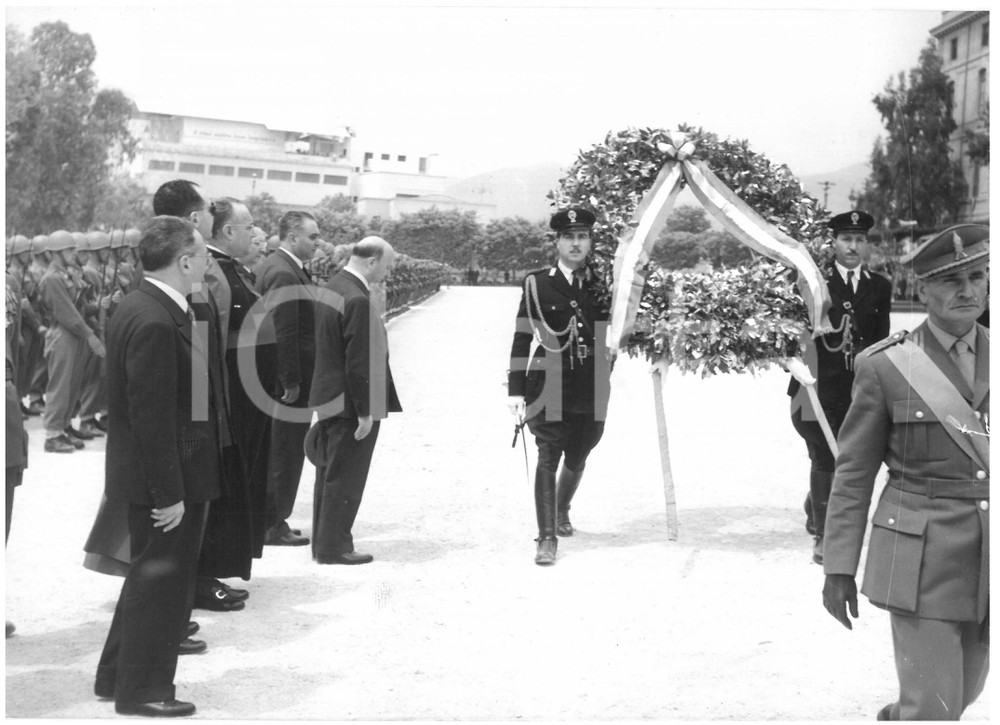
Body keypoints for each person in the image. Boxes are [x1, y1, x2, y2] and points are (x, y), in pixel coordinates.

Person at [822, 224, 989, 721]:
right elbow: (853, 475)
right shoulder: (887, 367)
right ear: (923, 291)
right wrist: (838, 567)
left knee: (964, 692)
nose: (967, 290)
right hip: (921, 558)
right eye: (951, 281)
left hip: (989, 557)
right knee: (936, 708)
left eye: (978, 277)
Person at [93, 216, 220, 717]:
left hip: (160, 474)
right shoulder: (154, 319)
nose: (208, 264)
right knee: (161, 587)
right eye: (203, 255)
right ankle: (143, 691)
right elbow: (151, 417)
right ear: (184, 262)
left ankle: (115, 676)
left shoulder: (147, 306)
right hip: (162, 482)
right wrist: (170, 493)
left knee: (147, 581)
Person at [507, 208, 613, 566]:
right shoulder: (537, 284)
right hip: (549, 380)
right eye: (569, 237)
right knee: (548, 454)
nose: (576, 243)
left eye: (582, 236)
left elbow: (619, 330)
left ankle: (562, 507)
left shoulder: (605, 284)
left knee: (580, 452)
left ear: (591, 242)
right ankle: (547, 537)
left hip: (592, 382)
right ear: (557, 242)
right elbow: (522, 338)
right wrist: (515, 391)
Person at [788, 210, 891, 564]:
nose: (853, 246)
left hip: (856, 389)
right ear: (833, 243)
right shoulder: (813, 282)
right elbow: (794, 332)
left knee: (844, 457)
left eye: (859, 240)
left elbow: (880, 341)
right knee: (823, 456)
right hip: (814, 385)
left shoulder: (880, 286)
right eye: (846, 239)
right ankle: (823, 535)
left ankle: (814, 503)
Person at [308, 236, 401, 564]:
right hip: (349, 403)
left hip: (329, 395)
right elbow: (359, 359)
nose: (388, 272)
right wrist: (365, 411)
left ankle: (324, 543)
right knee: (346, 476)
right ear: (372, 262)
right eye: (387, 265)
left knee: (329, 473)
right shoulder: (357, 298)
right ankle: (335, 547)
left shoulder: (334, 286)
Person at [255, 211, 319, 547]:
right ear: (292, 238)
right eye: (312, 236)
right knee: (284, 450)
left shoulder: (283, 266)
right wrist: (290, 379)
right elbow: (284, 330)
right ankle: (272, 523)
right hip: (290, 383)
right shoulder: (283, 272)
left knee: (283, 449)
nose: (317, 242)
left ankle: (273, 518)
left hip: (286, 379)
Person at [37, 231, 105, 453]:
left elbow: (80, 308)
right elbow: (67, 313)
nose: (73, 253)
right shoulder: (52, 279)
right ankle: (53, 434)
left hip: (74, 334)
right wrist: (90, 335)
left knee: (72, 384)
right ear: (56, 253)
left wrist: (96, 306)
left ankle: (64, 426)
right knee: (60, 386)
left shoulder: (66, 275)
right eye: (69, 249)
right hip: (63, 334)